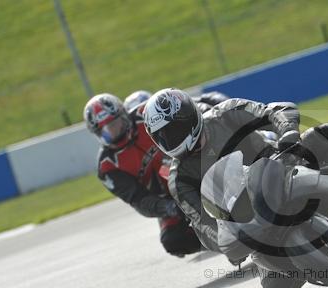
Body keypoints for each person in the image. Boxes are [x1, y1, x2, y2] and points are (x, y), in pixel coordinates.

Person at [142, 88, 328, 288]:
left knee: (325, 134)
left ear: (189, 117)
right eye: (163, 137)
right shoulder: (179, 179)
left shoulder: (226, 113)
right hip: (251, 222)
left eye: (174, 130)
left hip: (282, 169)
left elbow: (275, 110)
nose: (171, 140)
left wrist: (287, 134)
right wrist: (226, 240)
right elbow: (202, 223)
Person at [82, 90, 229, 257]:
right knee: (172, 240)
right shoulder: (107, 167)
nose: (115, 131)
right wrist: (170, 207)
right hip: (169, 198)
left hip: (194, 166)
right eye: (107, 131)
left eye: (116, 124)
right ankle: (220, 242)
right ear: (98, 135)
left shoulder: (144, 112)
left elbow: (193, 105)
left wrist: (219, 105)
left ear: (124, 114)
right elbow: (139, 200)